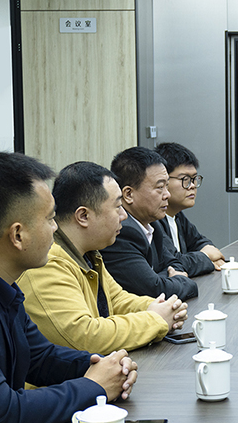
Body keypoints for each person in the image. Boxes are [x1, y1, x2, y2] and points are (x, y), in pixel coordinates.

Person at [0, 151, 138, 423]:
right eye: (50, 218)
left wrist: (103, 366)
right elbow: (2, 415)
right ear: (18, 235)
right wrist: (94, 386)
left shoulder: (4, 288)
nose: (56, 229)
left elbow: (40, 358)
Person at [17, 162, 189, 355]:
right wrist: (155, 320)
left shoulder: (89, 254)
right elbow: (85, 336)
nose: (124, 215)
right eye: (118, 206)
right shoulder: (48, 263)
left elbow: (115, 300)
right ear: (83, 216)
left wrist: (160, 308)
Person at [100, 146, 198, 300]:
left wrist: (162, 278)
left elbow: (175, 263)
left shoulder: (153, 224)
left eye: (167, 186)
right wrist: (180, 279)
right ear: (128, 194)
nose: (167, 194)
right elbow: (154, 289)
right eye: (160, 187)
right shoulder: (121, 232)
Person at [155, 142, 225, 276]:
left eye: (194, 179)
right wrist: (206, 257)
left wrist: (207, 253)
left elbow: (200, 242)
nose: (192, 185)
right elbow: (173, 263)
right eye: (185, 179)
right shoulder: (153, 221)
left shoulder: (177, 215)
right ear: (163, 180)